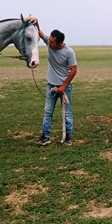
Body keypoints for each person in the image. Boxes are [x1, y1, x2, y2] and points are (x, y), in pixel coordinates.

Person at [28, 17, 77, 146]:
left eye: (52, 41)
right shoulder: (50, 42)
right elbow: (40, 32)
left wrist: (63, 86)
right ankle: (45, 137)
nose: (49, 43)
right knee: (48, 111)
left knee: (67, 113)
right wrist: (36, 22)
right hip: (51, 85)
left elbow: (73, 71)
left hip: (65, 87)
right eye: (49, 40)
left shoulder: (69, 52)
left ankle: (68, 137)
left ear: (60, 42)